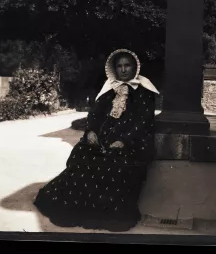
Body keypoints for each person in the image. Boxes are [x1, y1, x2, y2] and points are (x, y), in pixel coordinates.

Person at [33, 49, 160, 232]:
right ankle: (78, 210)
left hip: (131, 142)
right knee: (82, 159)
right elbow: (95, 114)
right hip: (102, 140)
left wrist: (124, 141)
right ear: (114, 68)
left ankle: (107, 215)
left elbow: (143, 122)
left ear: (135, 67)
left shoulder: (144, 92)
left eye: (127, 65)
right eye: (119, 66)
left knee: (115, 165)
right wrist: (91, 131)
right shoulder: (109, 89)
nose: (123, 70)